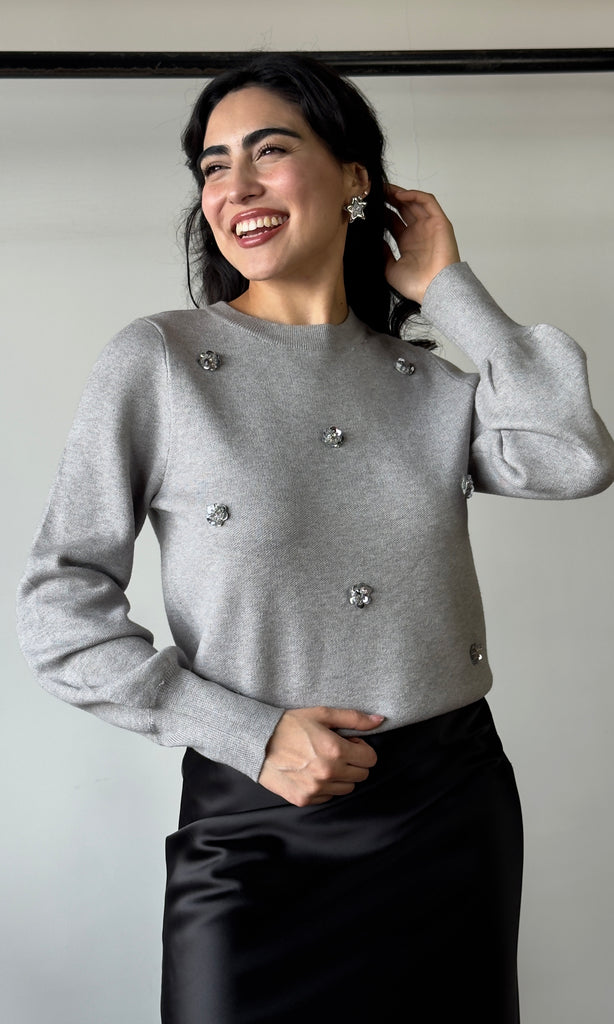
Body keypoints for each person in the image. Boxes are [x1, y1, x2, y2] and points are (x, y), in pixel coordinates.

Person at [16, 52, 614, 1024]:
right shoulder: (161, 362)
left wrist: (449, 286)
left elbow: (572, 455)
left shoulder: (426, 388)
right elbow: (58, 610)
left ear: (353, 179)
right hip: (253, 832)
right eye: (213, 166)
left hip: (446, 816)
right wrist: (247, 736)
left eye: (269, 151)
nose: (235, 187)